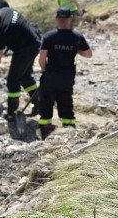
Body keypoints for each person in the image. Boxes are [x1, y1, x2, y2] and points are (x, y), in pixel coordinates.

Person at [36, 7, 93, 139]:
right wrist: (74, 50)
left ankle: (46, 130)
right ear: (70, 19)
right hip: (67, 77)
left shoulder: (49, 36)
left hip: (50, 75)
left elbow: (42, 59)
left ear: (56, 19)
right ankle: (69, 130)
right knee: (66, 101)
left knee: (46, 103)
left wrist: (45, 70)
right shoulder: (77, 37)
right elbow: (88, 54)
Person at [0, 7, 42, 121]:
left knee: (13, 80)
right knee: (24, 77)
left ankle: (12, 113)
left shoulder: (1, 29)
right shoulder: (4, 10)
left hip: (27, 48)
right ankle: (39, 104)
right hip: (35, 39)